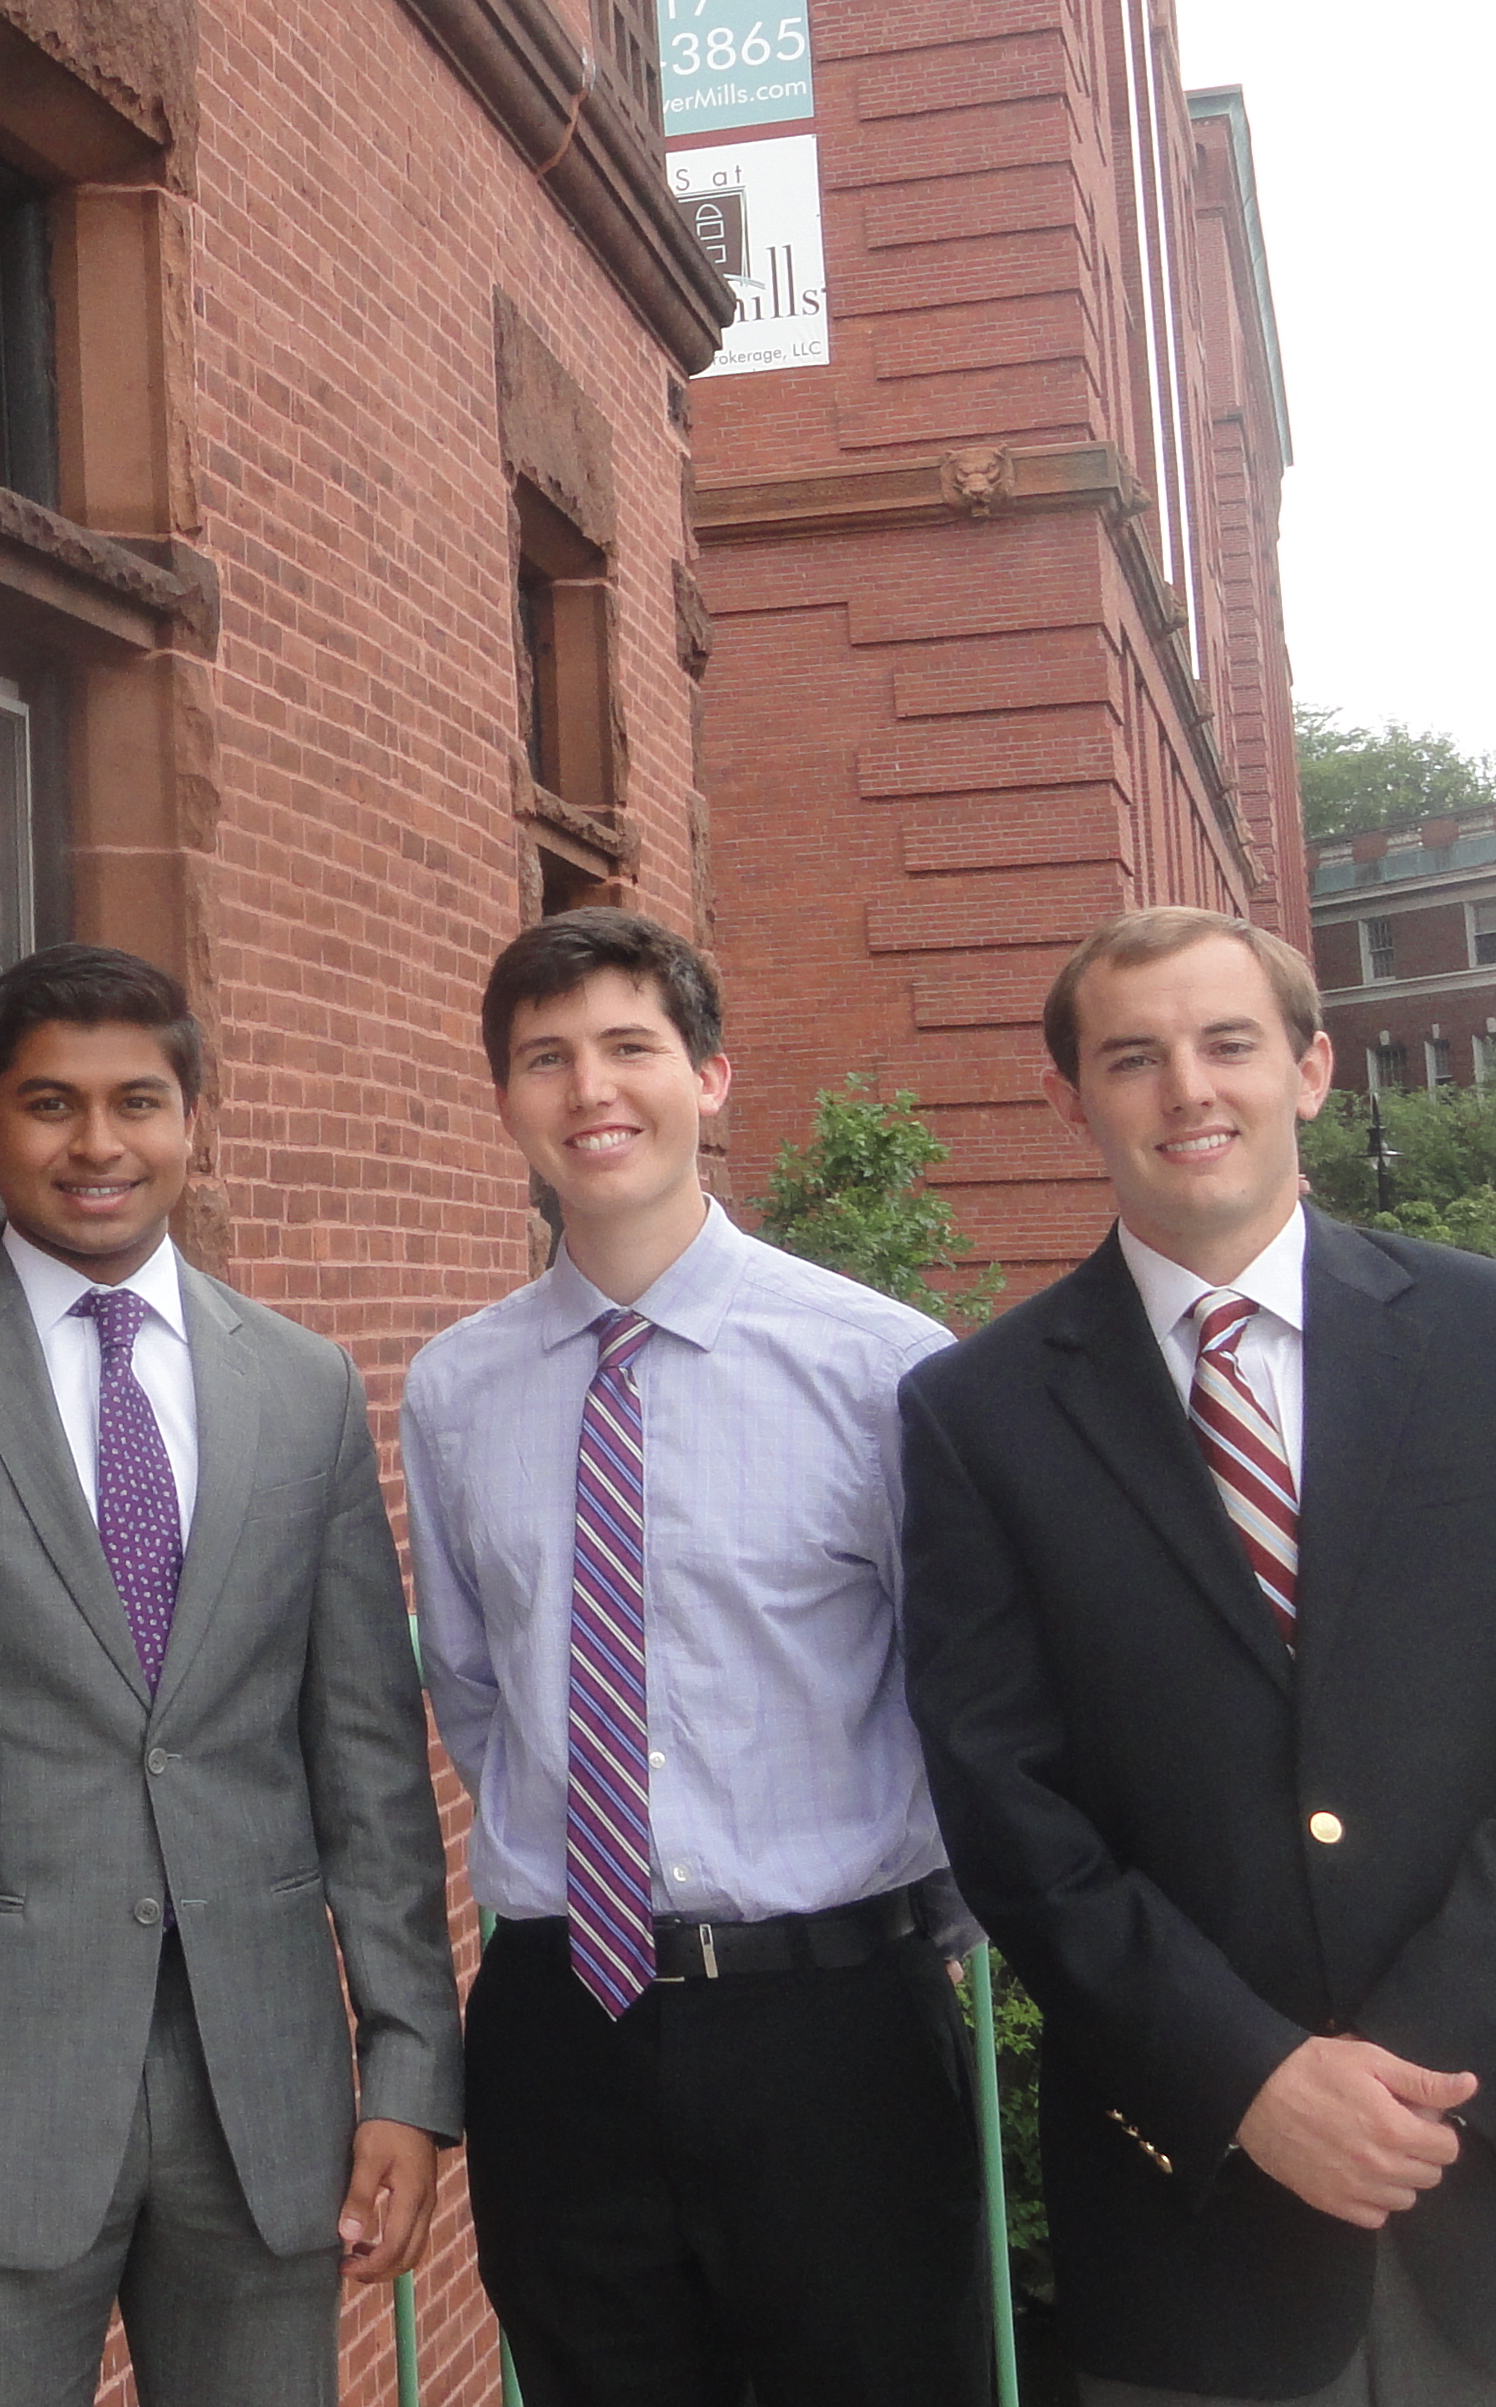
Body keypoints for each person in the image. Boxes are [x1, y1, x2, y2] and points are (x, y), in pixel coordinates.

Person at [900, 906, 1496, 2405]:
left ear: (1311, 1067)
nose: (1189, 1090)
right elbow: (1006, 1808)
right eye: (1134, 1058)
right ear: (1069, 1099)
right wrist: (1253, 2081)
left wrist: (1421, 2062)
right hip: (1201, 2222)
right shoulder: (974, 1416)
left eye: (1230, 1043)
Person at [0, 944, 459, 2407]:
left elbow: (367, 1758)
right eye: (50, 1104)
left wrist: (413, 2074)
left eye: (138, 1102)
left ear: (195, 1118)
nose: (97, 1145)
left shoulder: (299, 1388)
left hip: (269, 2100)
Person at [400, 908, 987, 2405]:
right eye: (546, 1059)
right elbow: (477, 1692)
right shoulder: (459, 1389)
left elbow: (971, 1693)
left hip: (831, 2019)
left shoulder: (883, 1367)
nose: (591, 1090)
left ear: (710, 1077)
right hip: (560, 2021)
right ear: (506, 1101)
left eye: (629, 1048)